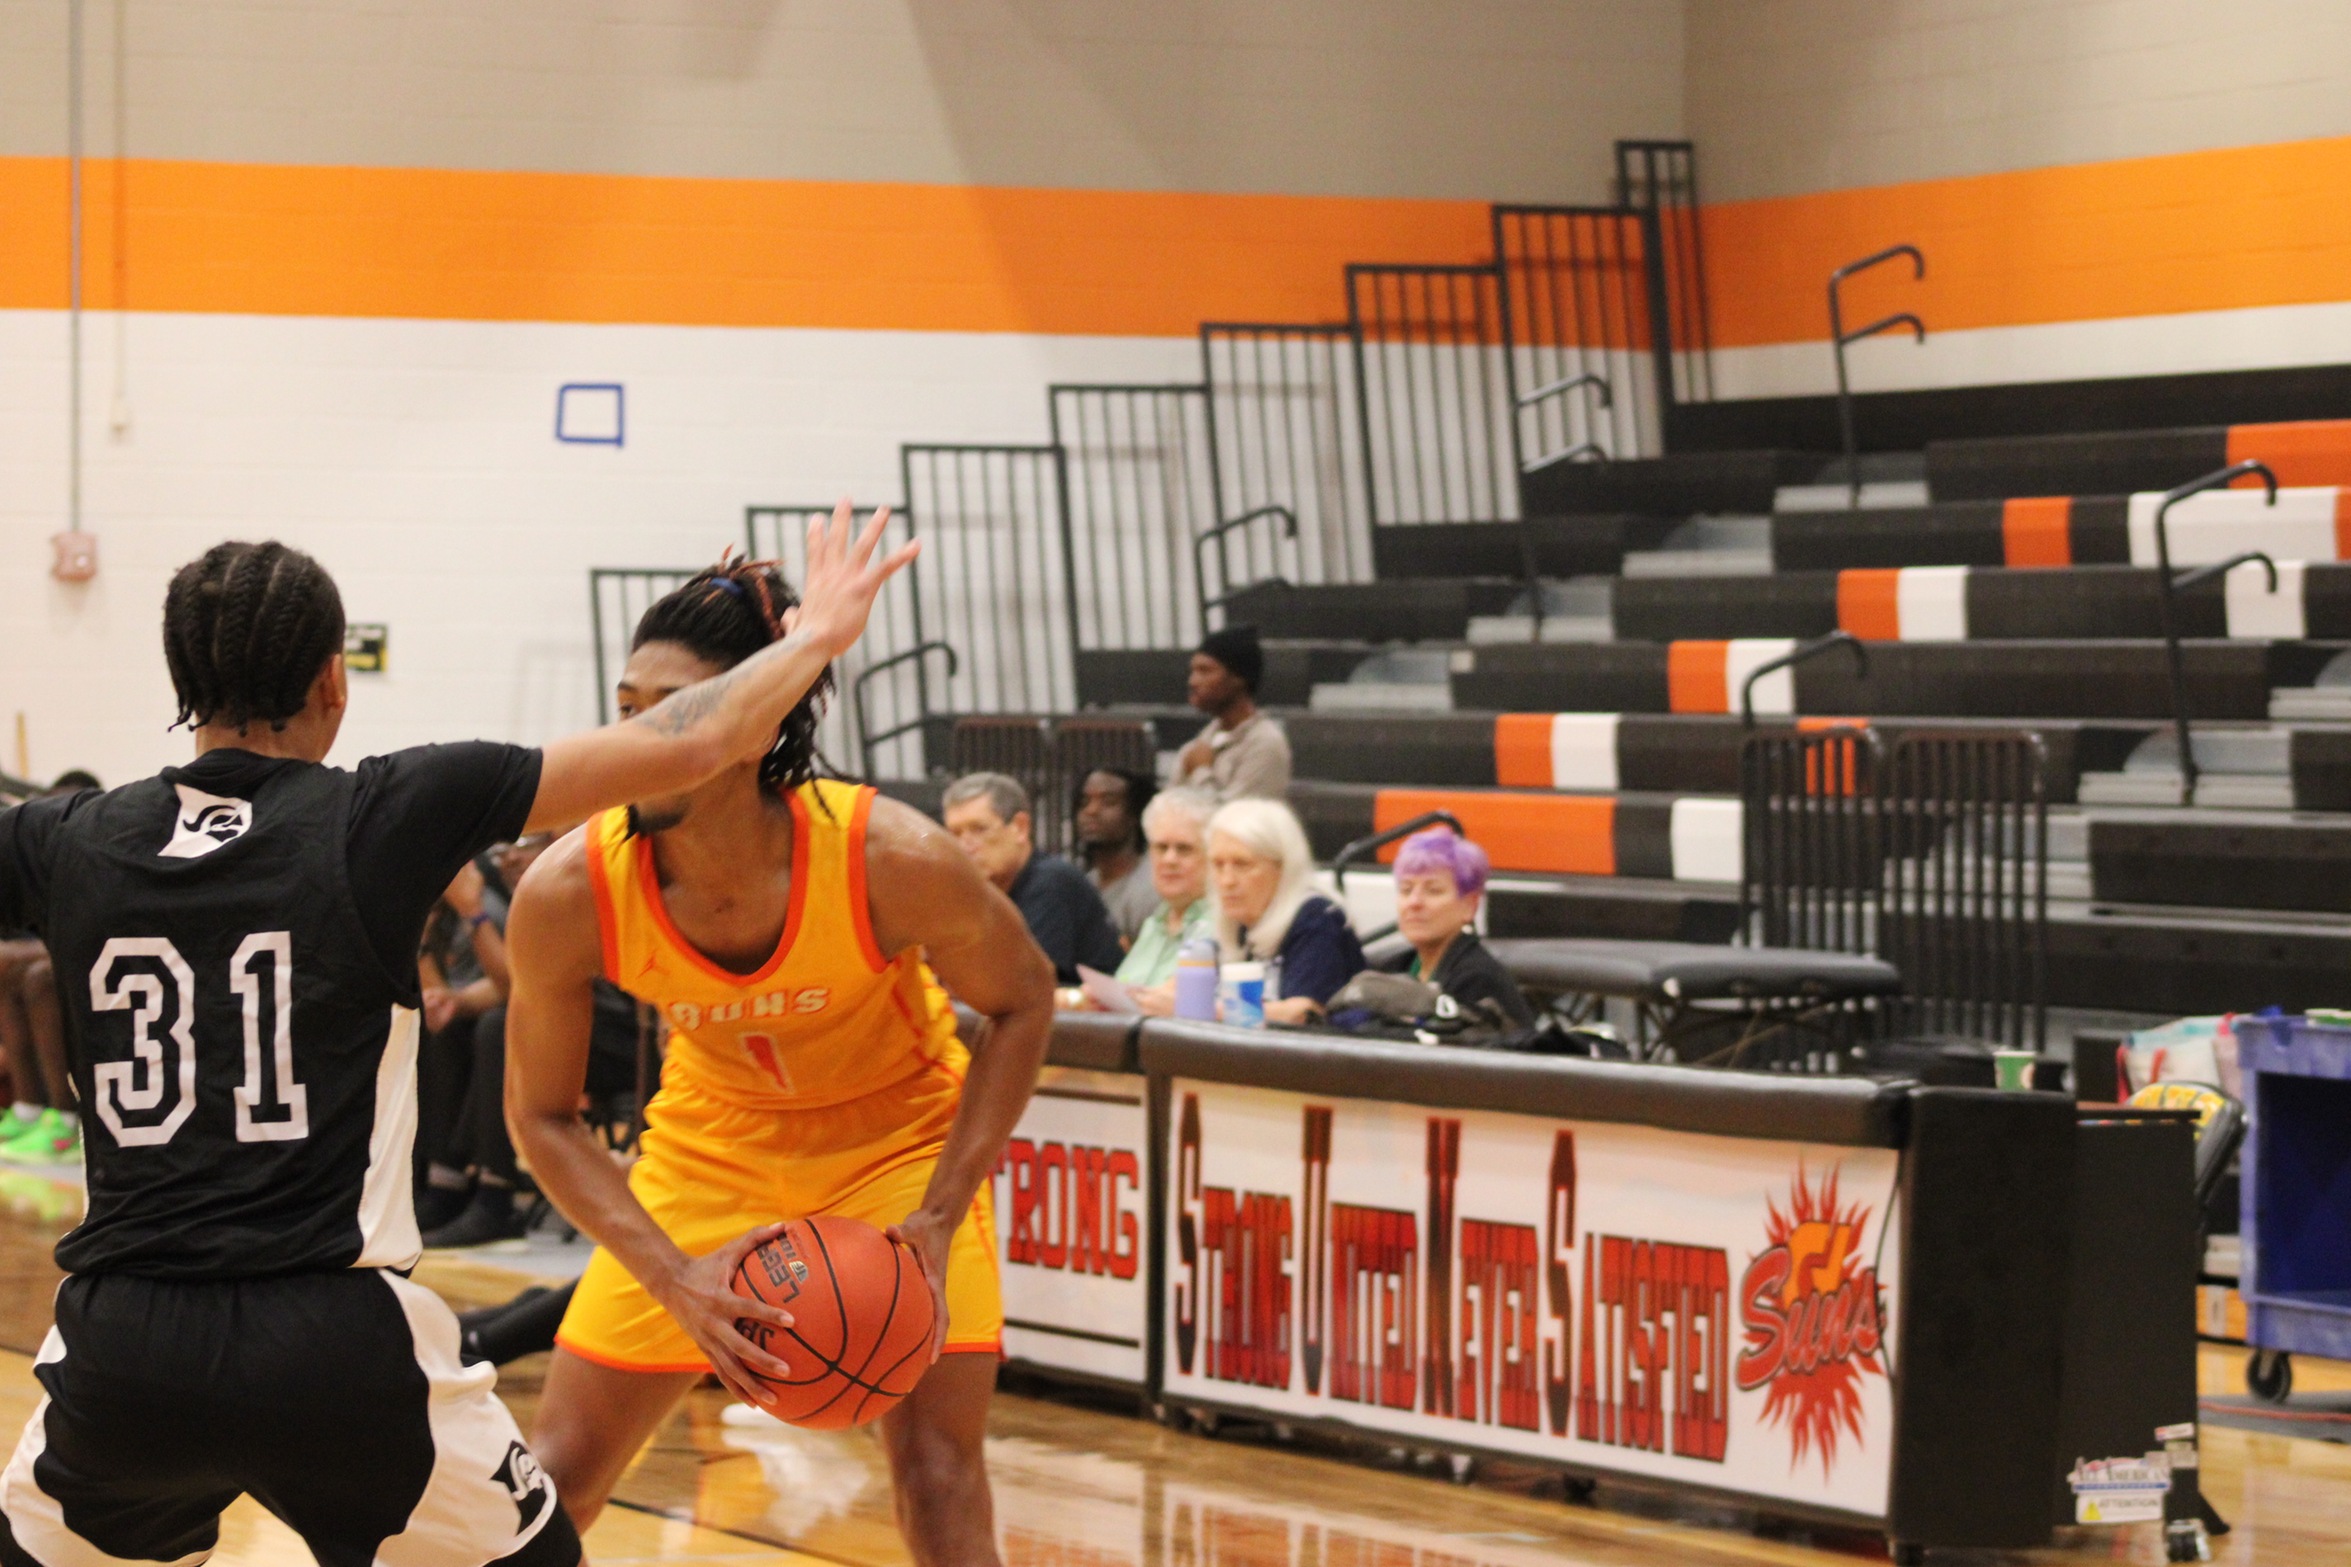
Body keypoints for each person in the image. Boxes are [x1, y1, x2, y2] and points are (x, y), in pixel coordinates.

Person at [0, 506, 914, 1564]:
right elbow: (694, 741)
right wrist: (816, 635)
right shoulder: (389, 809)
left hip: (124, 1344)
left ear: (180, 682)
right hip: (335, 1345)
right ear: (333, 681)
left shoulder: (63, 839)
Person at [501, 559, 1056, 1557]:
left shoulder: (889, 856)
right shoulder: (569, 887)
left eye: (673, 711)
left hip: (896, 1150)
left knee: (937, 1473)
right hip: (707, 1154)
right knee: (554, 1476)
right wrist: (672, 1276)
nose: (637, 739)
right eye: (627, 709)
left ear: (754, 720)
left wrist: (941, 1210)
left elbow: (1023, 997)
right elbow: (539, 1117)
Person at [942, 771, 1122, 984]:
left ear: (1020, 827)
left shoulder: (1052, 882)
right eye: (955, 834)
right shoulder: (974, 890)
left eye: (979, 829)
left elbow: (1024, 984)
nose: (964, 846)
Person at [0, 774, 97, 1166]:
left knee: (40, 977)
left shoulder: (100, 856)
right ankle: (28, 1110)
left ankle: (66, 1121)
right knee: (10, 967)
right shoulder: (33, 858)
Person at [1207, 797, 1363, 1025]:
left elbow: (1301, 1014)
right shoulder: (1238, 922)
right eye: (1218, 865)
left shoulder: (1317, 918)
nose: (1226, 880)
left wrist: (1201, 1010)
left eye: (1242, 864)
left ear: (1282, 867)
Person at [1378, 828, 1535, 1031]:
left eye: (1433, 891)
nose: (1414, 902)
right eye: (1406, 890)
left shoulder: (1478, 979)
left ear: (1469, 906)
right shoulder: (1394, 968)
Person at [1114, 787, 1216, 1009]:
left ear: (1212, 857)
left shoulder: (1223, 928)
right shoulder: (1152, 925)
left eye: (1184, 849)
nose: (1169, 859)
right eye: (1161, 848)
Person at [1173, 625, 1291, 802]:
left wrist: (1201, 772)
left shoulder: (1266, 744)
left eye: (1205, 671)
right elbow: (1169, 809)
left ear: (1239, 678)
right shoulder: (1202, 741)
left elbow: (1234, 816)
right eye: (1193, 671)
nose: (1193, 681)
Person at [1073, 768, 1158, 941]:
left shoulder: (1153, 886)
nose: (1091, 810)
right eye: (1084, 802)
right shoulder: (1084, 884)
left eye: (1108, 802)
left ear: (1134, 814)